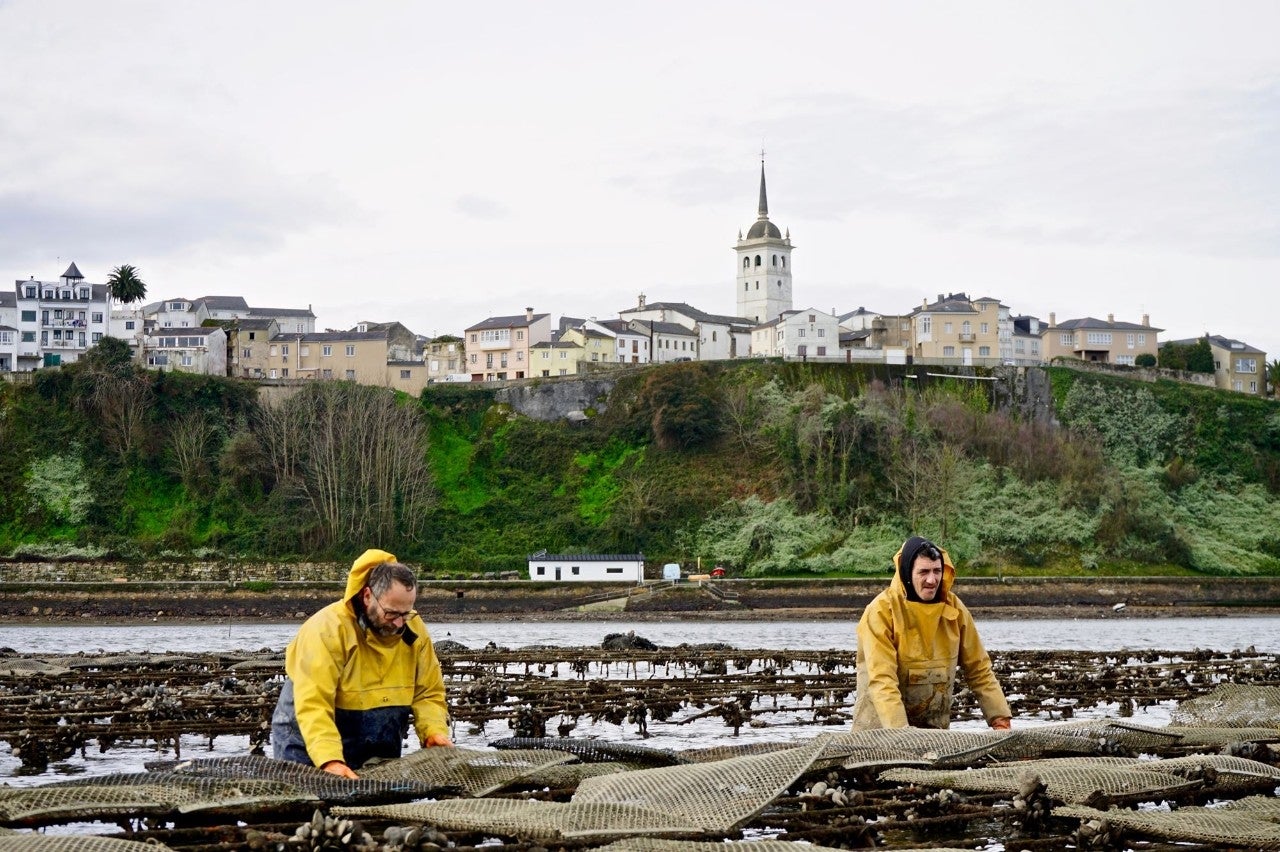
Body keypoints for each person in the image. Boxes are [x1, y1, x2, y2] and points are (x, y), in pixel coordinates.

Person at [271, 549, 453, 777]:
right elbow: (314, 705)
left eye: (406, 614)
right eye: (391, 613)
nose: (398, 623)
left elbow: (428, 694)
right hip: (307, 738)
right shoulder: (326, 631)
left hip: (377, 736)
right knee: (307, 806)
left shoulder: (414, 631)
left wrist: (433, 732)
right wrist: (329, 761)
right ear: (367, 596)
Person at [852, 536, 1012, 731]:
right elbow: (882, 680)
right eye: (924, 572)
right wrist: (902, 733)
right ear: (907, 574)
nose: (932, 579)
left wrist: (1000, 719)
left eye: (937, 571)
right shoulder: (881, 611)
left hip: (935, 733)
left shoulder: (955, 610)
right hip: (879, 732)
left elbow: (980, 670)